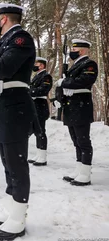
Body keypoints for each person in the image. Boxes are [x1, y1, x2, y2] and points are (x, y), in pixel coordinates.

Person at [0, 3, 35, 240]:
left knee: (17, 164)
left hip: (15, 109)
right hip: (3, 107)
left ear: (5, 19)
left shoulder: (20, 38)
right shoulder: (6, 41)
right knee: (7, 163)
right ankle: (12, 211)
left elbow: (2, 68)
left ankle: (19, 218)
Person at [55, 39, 98, 186]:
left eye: (76, 49)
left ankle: (85, 173)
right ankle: (79, 168)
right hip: (71, 106)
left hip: (81, 106)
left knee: (83, 141)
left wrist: (64, 82)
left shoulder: (89, 64)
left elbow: (84, 80)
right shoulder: (75, 66)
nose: (73, 52)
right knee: (76, 141)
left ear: (82, 50)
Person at [28, 57, 52, 166]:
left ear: (41, 65)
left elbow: (43, 90)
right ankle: (39, 154)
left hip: (40, 105)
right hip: (34, 105)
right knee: (37, 130)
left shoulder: (46, 76)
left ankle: (43, 156)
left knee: (41, 130)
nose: (35, 66)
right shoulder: (37, 76)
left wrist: (29, 91)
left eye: (36, 64)